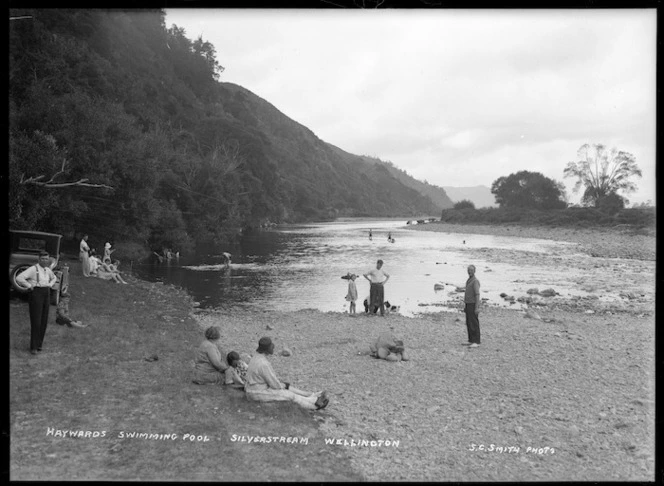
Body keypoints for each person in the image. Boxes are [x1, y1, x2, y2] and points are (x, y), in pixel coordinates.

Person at [245, 337, 328, 410]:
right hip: (256, 392)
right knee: (289, 395)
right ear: (266, 349)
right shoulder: (263, 364)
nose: (273, 347)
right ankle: (314, 406)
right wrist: (283, 386)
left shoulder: (256, 357)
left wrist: (284, 385)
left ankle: (312, 396)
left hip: (255, 388)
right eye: (271, 346)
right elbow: (275, 385)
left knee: (287, 387)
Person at [16, 251, 58, 355]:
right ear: (38, 259)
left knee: (44, 319)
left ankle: (39, 344)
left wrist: (50, 284)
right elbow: (19, 278)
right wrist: (29, 286)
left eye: (46, 259)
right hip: (36, 293)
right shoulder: (33, 269)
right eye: (43, 259)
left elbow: (54, 277)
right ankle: (33, 347)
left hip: (46, 293)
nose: (45, 261)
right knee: (36, 320)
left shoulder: (47, 270)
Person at [463, 265, 481, 348]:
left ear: (474, 271)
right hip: (468, 304)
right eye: (468, 270)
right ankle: (471, 340)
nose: (469, 271)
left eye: (471, 270)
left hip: (473, 304)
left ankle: (476, 341)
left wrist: (477, 307)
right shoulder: (468, 280)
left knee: (474, 323)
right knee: (469, 323)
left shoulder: (475, 281)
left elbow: (477, 294)